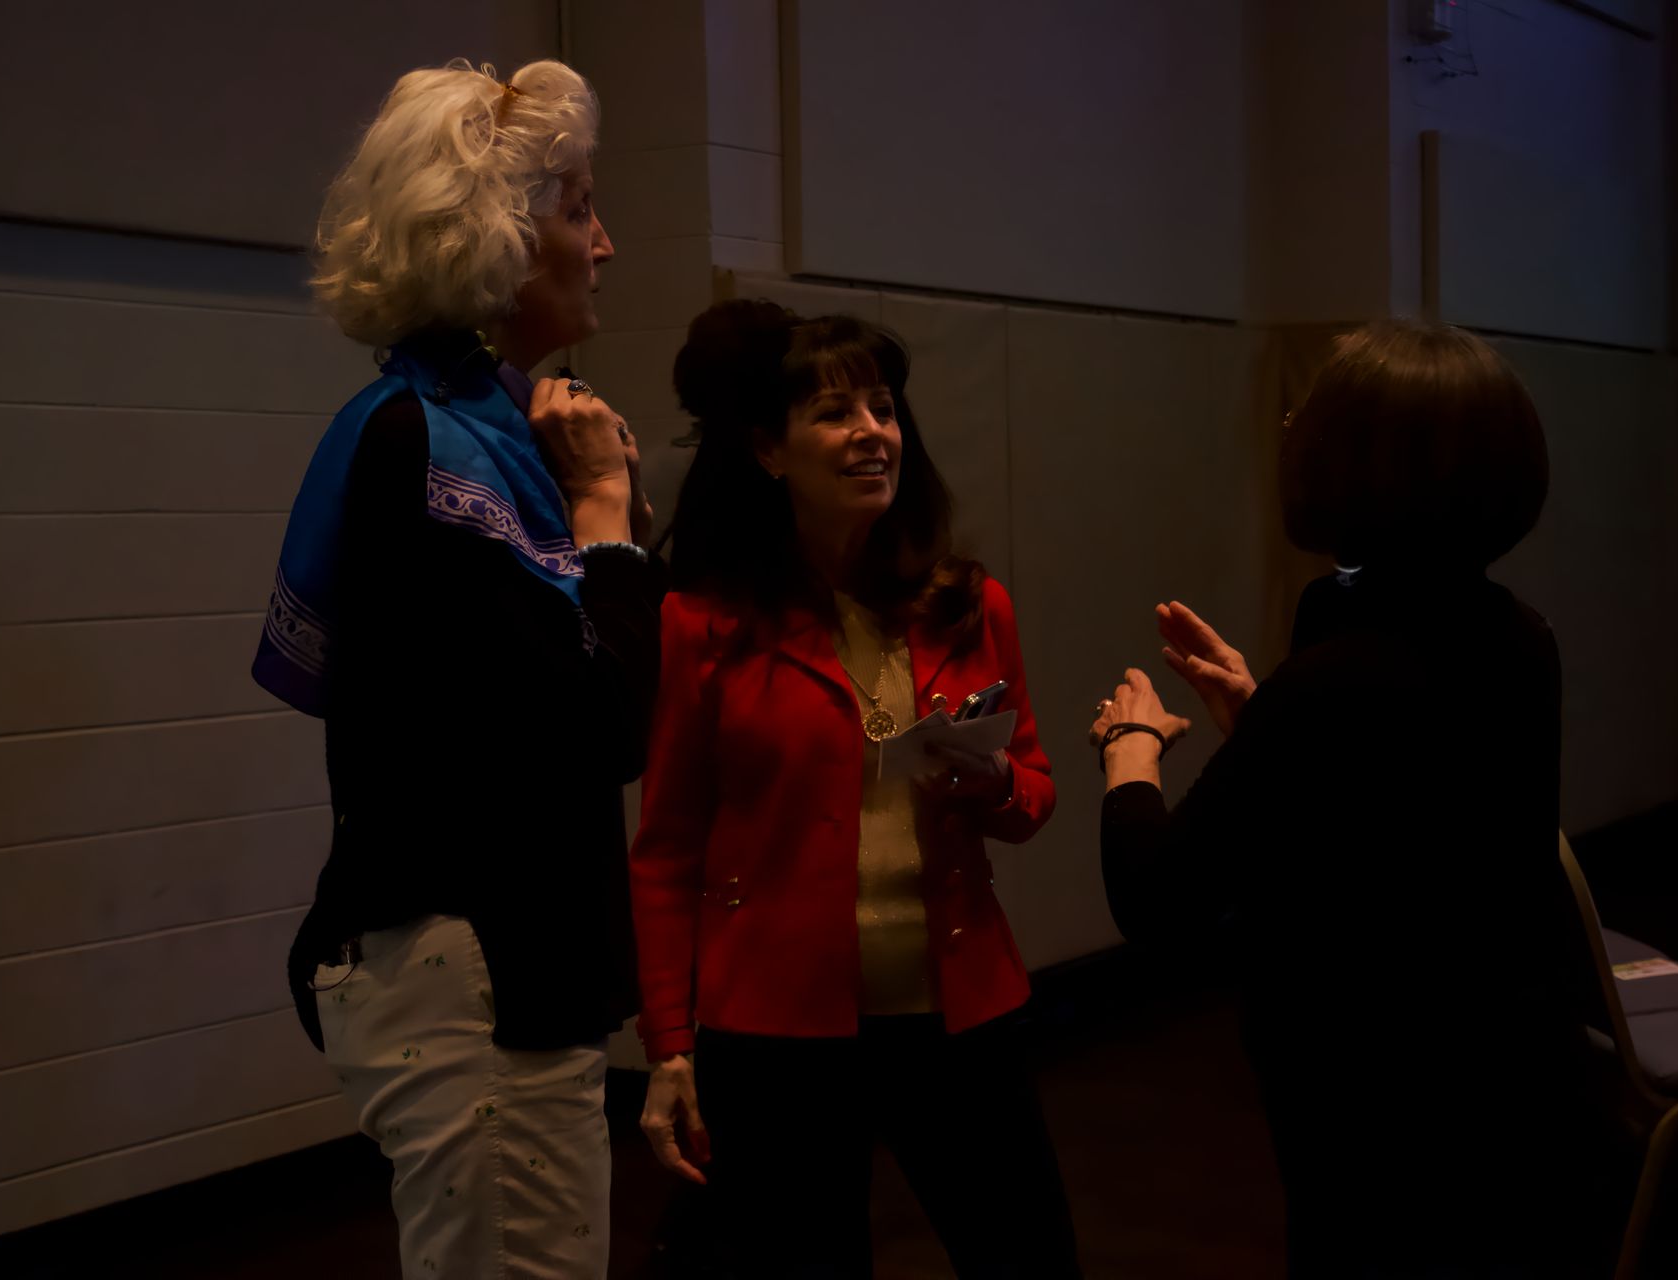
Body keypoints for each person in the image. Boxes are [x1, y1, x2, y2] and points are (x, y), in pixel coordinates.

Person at [257, 58, 661, 1279]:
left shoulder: (496, 424)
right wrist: (605, 514)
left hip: (503, 965)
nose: (607, 243)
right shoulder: (427, 448)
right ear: (495, 234)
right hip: (474, 977)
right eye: (579, 206)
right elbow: (606, 724)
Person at [1093, 320, 1608, 1277]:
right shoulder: (1519, 634)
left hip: (1386, 1123)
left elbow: (1159, 900)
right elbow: (1399, 819)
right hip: (1517, 1092)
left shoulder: (1341, 675)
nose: (1289, 426)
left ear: (1365, 462)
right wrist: (1263, 717)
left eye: (1307, 413)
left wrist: (1130, 755)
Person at [629, 299, 1082, 1278]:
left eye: (883, 408)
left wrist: (994, 778)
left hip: (959, 1011)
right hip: (779, 1029)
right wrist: (669, 1041)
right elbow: (665, 852)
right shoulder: (704, 629)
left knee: (1031, 1259)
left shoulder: (969, 604)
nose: (874, 432)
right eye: (837, 412)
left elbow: (1035, 793)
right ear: (770, 451)